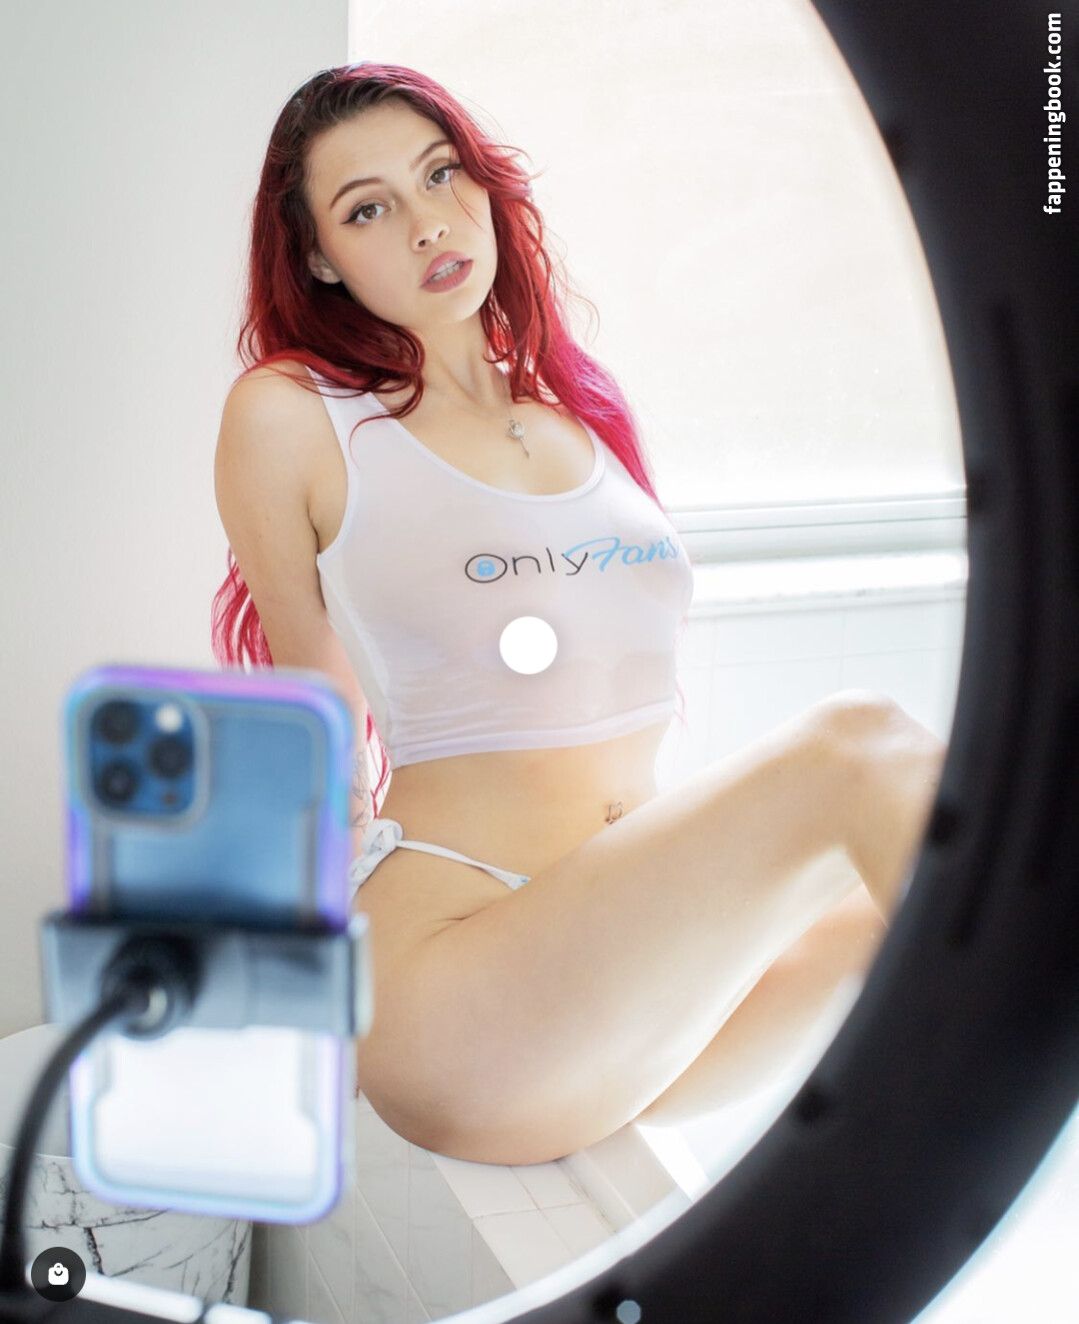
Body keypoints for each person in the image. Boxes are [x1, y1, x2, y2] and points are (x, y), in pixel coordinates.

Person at [212, 62, 945, 1166]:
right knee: (859, 748)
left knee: (934, 861)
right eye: (368, 209)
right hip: (454, 983)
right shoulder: (294, 414)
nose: (427, 223)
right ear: (317, 256)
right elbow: (306, 720)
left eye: (440, 174)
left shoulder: (572, 409)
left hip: (606, 976)